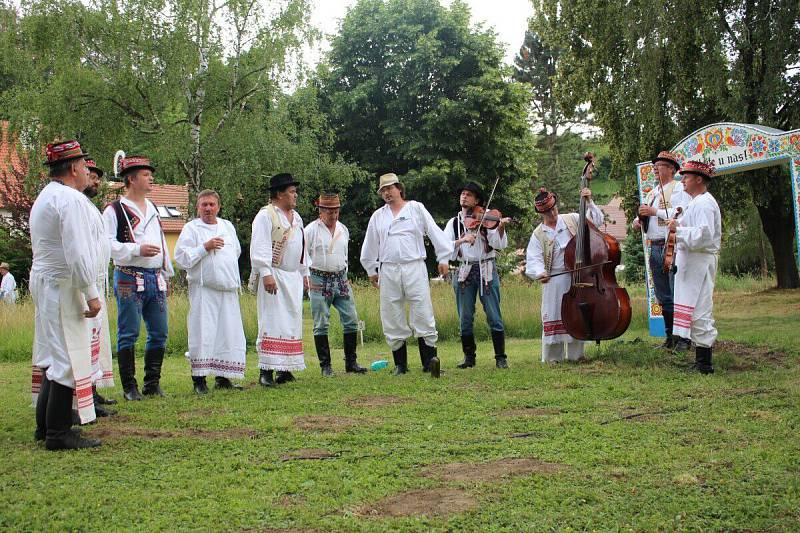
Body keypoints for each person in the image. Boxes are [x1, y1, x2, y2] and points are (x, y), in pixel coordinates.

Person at [30, 140, 102, 450]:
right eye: (85, 166)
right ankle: (58, 434)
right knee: (67, 357)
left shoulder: (47, 196)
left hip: (47, 281)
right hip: (62, 284)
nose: (88, 171)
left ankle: (45, 426)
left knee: (53, 354)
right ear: (73, 168)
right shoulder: (69, 200)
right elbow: (77, 251)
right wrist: (91, 291)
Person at [360, 173, 455, 378]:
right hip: (389, 269)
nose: (387, 193)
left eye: (390, 188)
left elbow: (434, 232)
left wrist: (444, 258)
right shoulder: (378, 216)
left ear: (399, 188)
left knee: (422, 310)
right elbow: (370, 244)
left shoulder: (416, 208)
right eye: (383, 190)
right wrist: (371, 269)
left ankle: (430, 362)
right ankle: (400, 365)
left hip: (414, 266)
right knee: (391, 313)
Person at [103, 155, 174, 400]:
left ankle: (152, 383)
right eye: (145, 174)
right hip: (127, 277)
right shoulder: (114, 210)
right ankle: (129, 387)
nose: (150, 177)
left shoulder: (153, 207)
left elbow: (162, 241)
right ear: (131, 179)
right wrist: (136, 250)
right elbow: (107, 245)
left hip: (155, 277)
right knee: (128, 330)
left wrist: (166, 269)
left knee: (160, 330)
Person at [175, 189, 246, 393]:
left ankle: (223, 377)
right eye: (204, 204)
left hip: (228, 288)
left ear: (218, 206)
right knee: (203, 332)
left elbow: (236, 252)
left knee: (227, 333)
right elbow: (180, 258)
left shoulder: (227, 226)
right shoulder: (191, 228)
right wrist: (204, 247)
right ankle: (199, 379)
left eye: (211, 204)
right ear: (198, 207)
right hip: (204, 289)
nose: (208, 208)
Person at [525, 186, 604, 363]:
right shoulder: (538, 234)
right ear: (541, 213)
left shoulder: (573, 219)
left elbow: (598, 221)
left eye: (553, 209)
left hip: (578, 276)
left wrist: (589, 201)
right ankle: (553, 358)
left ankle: (577, 355)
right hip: (554, 278)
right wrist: (540, 272)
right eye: (547, 212)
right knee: (553, 313)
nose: (552, 214)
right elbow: (533, 259)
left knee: (577, 311)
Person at [443, 182, 512, 369]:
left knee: (493, 315)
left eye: (469, 194)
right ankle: (469, 357)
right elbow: (445, 249)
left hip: (486, 267)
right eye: (463, 194)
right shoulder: (454, 223)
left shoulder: (487, 217)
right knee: (465, 317)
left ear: (477, 200)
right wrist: (463, 240)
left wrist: (500, 228)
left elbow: (499, 245)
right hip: (464, 269)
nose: (464, 197)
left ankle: (500, 357)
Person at [250, 173, 308, 387]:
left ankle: (285, 369)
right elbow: (259, 246)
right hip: (274, 275)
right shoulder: (266, 216)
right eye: (292, 192)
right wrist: (266, 273)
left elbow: (302, 247)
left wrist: (304, 273)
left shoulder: (297, 217)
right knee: (271, 321)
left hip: (292, 276)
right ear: (279, 194)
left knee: (291, 323)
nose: (295, 196)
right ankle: (266, 371)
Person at [667, 160, 722, 374]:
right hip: (692, 262)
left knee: (700, 311)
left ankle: (704, 364)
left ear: (699, 179)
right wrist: (678, 226)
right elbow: (695, 228)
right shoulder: (695, 202)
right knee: (695, 310)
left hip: (700, 262)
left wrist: (677, 232)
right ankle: (701, 361)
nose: (682, 181)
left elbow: (704, 235)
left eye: (686, 177)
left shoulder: (705, 203)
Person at [632, 151, 691, 349]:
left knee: (676, 290)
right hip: (654, 245)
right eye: (655, 166)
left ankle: (683, 337)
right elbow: (649, 214)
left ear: (672, 169)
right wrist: (639, 220)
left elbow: (680, 214)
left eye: (661, 165)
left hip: (671, 245)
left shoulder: (677, 188)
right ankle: (670, 337)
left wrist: (653, 212)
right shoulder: (653, 192)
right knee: (662, 293)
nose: (656, 169)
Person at [305, 193, 366, 376]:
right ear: (321, 211)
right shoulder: (310, 230)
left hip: (340, 278)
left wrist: (345, 274)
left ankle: (351, 363)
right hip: (318, 278)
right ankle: (326, 366)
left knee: (351, 319)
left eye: (336, 211)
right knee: (321, 323)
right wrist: (305, 279)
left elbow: (344, 254)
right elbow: (302, 257)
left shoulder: (343, 229)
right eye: (330, 212)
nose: (334, 215)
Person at [82, 159, 116, 414]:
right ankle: (83, 396)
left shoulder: (87, 206)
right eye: (92, 176)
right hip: (83, 283)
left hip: (97, 280)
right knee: (83, 341)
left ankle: (91, 390)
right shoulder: (75, 205)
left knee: (95, 339)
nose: (96, 182)